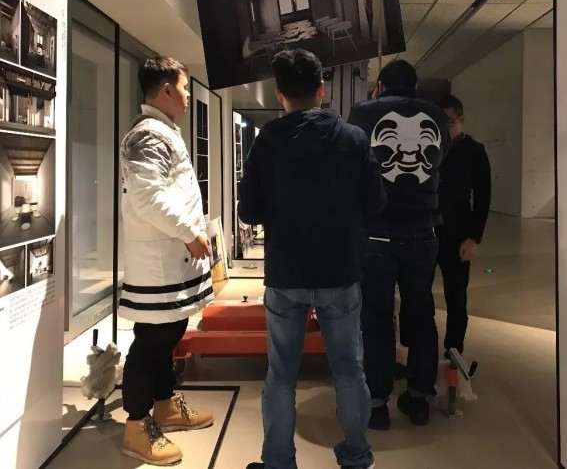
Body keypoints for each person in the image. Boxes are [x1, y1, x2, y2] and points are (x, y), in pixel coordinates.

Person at [239, 49, 386, 469]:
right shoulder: (353, 138)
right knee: (349, 370)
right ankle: (356, 456)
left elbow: (249, 211)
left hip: (285, 273)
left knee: (281, 374)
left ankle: (278, 461)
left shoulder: (267, 142)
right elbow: (376, 202)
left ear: (278, 94)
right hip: (340, 270)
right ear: (322, 89)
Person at [118, 56, 215, 466]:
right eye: (185, 88)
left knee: (168, 332)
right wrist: (189, 232)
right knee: (151, 342)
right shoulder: (149, 135)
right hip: (159, 261)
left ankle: (163, 404)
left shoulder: (160, 131)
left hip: (170, 260)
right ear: (167, 90)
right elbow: (147, 197)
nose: (189, 96)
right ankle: (137, 425)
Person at [347, 59, 450, 430]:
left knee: (375, 318)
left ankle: (376, 404)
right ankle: (419, 399)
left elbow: (352, 163)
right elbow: (440, 160)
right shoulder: (437, 116)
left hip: (376, 233)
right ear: (415, 86)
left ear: (380, 86)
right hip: (422, 233)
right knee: (421, 314)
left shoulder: (363, 113)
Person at [434, 94, 491, 357]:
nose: (445, 129)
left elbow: (482, 198)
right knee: (418, 293)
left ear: (461, 120)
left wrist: (473, 238)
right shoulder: (430, 147)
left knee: (456, 296)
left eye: (450, 122)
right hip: (427, 231)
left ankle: (454, 351)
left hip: (458, 234)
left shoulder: (474, 151)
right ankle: (420, 347)